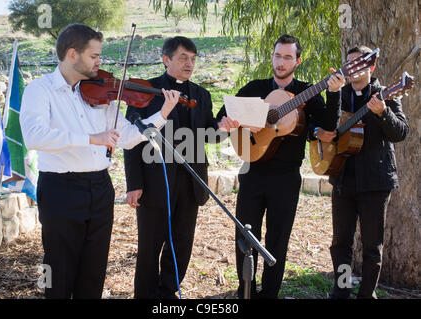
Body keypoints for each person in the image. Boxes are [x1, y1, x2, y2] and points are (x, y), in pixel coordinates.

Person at [19, 24, 181, 299]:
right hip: (61, 188)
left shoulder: (102, 94)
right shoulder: (39, 90)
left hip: (100, 187)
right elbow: (34, 137)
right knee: (58, 270)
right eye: (94, 56)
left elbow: (129, 137)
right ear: (72, 54)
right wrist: (91, 138)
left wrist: (162, 114)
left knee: (93, 271)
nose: (99, 62)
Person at [217, 34, 345, 299]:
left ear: (297, 61)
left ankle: (270, 294)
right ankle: (245, 292)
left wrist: (333, 93)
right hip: (251, 173)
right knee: (245, 238)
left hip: (286, 178)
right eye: (277, 55)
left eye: (288, 57)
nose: (281, 62)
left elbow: (329, 127)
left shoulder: (308, 93)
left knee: (278, 240)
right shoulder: (255, 87)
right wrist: (236, 124)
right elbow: (223, 115)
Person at [124, 36, 228, 299]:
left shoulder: (202, 95)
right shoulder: (145, 90)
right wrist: (134, 184)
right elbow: (131, 141)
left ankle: (168, 295)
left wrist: (223, 130)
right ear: (166, 59)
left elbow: (208, 135)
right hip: (153, 182)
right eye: (183, 57)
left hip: (191, 182)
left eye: (193, 59)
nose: (189, 64)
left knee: (181, 245)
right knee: (149, 247)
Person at [311, 45, 409, 299]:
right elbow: (326, 127)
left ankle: (367, 294)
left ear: (371, 66)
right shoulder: (340, 92)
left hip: (375, 182)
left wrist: (383, 112)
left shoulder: (385, 94)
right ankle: (342, 290)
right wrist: (332, 98)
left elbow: (400, 132)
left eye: (359, 63)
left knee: (372, 247)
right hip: (343, 177)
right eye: (349, 63)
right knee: (340, 243)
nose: (353, 68)